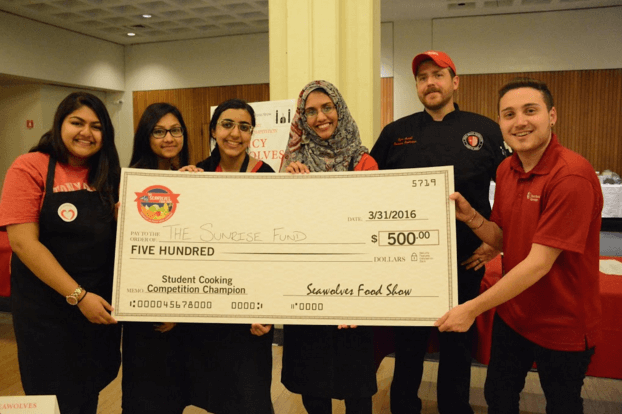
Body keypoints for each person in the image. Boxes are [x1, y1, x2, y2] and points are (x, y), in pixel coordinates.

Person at [436, 77, 603, 414]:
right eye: (509, 114)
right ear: (500, 123)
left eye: (531, 111)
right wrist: (471, 218)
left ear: (552, 115)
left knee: (562, 405)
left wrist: (471, 308)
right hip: (514, 315)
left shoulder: (571, 175)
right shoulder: (507, 169)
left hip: (563, 323)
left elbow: (539, 262)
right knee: (498, 396)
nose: (520, 121)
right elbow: (505, 241)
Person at [370, 51, 507, 414]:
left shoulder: (485, 131)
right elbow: (367, 188)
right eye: (422, 77)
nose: (430, 82)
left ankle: (454, 407)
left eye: (438, 75)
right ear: (416, 86)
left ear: (454, 81)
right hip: (408, 260)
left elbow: (510, 188)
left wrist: (496, 243)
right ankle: (403, 406)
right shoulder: (396, 133)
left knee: (457, 343)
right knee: (409, 343)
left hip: (467, 258)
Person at [0, 92, 122, 414]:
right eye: (77, 122)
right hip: (48, 314)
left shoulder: (107, 172)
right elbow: (24, 243)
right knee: (52, 400)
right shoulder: (30, 167)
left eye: (96, 126)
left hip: (97, 310)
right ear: (60, 124)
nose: (86, 132)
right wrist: (79, 296)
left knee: (87, 393)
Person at [280, 80, 378, 414]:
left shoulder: (365, 163)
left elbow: (372, 232)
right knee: (313, 384)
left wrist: (352, 297)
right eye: (310, 111)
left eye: (327, 108)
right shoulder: (291, 164)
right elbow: (280, 227)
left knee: (357, 388)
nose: (320, 116)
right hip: (305, 291)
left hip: (354, 293)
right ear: (301, 118)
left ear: (340, 110)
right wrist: (288, 187)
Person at [122, 102, 204, 413]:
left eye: (175, 130)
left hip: (182, 308)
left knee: (175, 396)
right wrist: (161, 306)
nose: (168, 138)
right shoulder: (131, 183)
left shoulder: (192, 176)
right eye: (159, 131)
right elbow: (138, 257)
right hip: (147, 311)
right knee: (146, 397)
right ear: (146, 136)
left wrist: (197, 187)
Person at [195, 98, 275, 414]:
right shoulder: (196, 174)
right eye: (227, 124)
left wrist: (267, 308)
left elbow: (275, 249)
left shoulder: (266, 174)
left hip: (251, 309)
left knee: (252, 396)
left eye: (244, 127)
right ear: (214, 130)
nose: (235, 133)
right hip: (210, 305)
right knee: (216, 395)